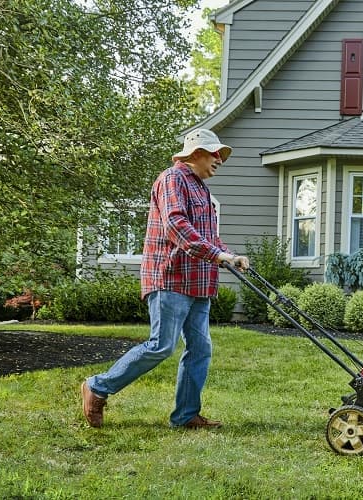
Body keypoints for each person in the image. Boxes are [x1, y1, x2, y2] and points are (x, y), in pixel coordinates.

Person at [81, 128, 250, 429]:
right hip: (171, 279)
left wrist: (228, 254)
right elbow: (177, 226)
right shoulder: (172, 180)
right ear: (196, 154)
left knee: (200, 349)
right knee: (161, 345)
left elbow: (207, 237)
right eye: (214, 154)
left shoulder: (201, 189)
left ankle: (186, 416)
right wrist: (217, 255)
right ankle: (98, 386)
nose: (219, 160)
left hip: (199, 283)